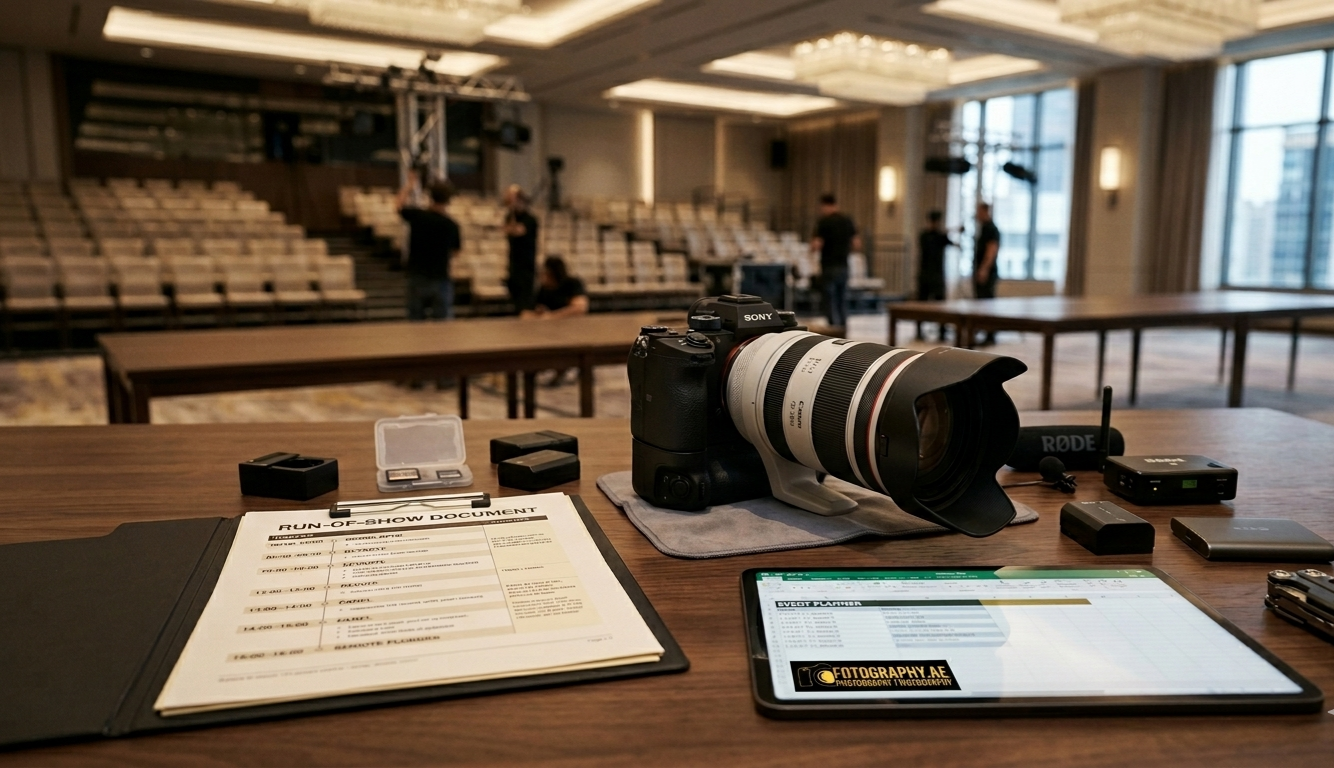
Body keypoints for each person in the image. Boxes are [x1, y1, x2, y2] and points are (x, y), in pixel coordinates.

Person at [396, 171, 460, 322]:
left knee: (416, 324)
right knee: (442, 327)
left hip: (417, 276)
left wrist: (410, 184)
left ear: (431, 198)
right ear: (448, 200)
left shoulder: (418, 216)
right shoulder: (451, 225)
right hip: (440, 278)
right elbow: (456, 252)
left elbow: (398, 205)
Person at [523, 256, 589, 386]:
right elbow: (534, 309)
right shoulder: (544, 288)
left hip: (573, 325)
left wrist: (554, 316)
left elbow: (580, 307)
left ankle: (563, 367)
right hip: (551, 327)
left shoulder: (572, 283)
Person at [809, 193, 860, 329]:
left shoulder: (824, 222)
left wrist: (811, 250)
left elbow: (817, 244)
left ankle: (833, 326)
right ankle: (843, 325)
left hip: (829, 264)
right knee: (842, 297)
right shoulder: (847, 220)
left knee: (829, 298)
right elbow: (856, 244)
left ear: (824, 205)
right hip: (844, 264)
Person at [916, 209, 955, 342]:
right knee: (921, 305)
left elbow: (952, 243)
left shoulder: (941, 236)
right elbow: (931, 244)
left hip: (937, 276)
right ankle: (919, 331)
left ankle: (942, 331)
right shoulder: (925, 236)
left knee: (941, 305)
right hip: (926, 275)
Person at [503, 184, 539, 313]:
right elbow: (506, 230)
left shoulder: (530, 219)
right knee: (515, 298)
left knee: (525, 300)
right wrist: (511, 212)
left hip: (526, 266)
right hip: (513, 264)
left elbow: (518, 231)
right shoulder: (509, 216)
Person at [972, 201, 1001, 346]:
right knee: (980, 303)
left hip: (988, 272)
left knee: (987, 304)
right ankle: (982, 331)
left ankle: (990, 334)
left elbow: (991, 250)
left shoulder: (991, 229)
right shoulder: (982, 229)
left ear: (985, 212)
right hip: (980, 270)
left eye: (978, 212)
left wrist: (984, 269)